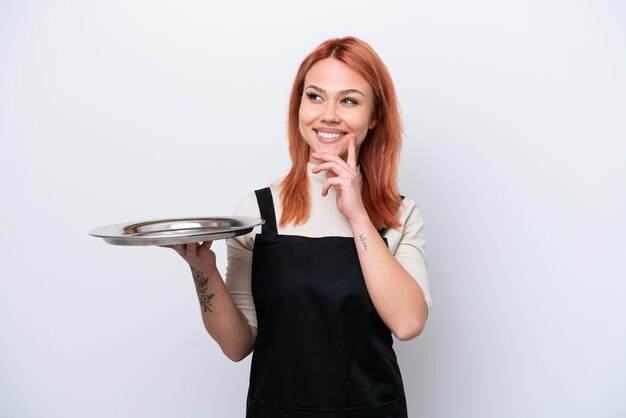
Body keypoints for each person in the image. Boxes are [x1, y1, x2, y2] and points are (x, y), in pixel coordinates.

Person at [165, 36, 432, 418]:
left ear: (374, 117)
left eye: (349, 100)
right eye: (315, 96)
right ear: (299, 106)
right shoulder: (258, 211)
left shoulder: (400, 215)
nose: (328, 115)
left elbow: (407, 323)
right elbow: (237, 345)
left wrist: (358, 214)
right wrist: (202, 269)